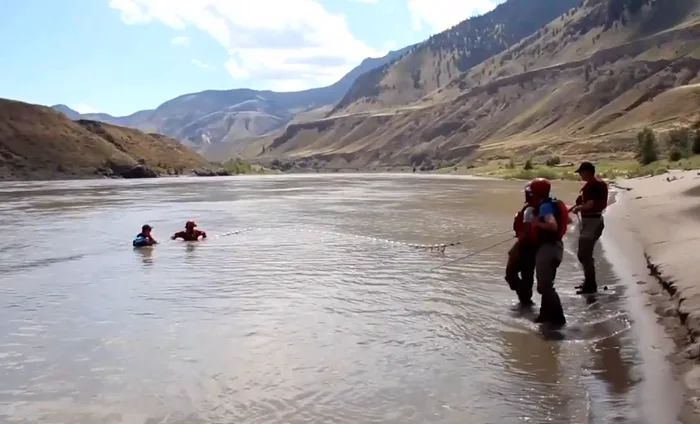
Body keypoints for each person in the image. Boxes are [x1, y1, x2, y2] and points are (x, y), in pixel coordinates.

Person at [529, 177, 569, 327]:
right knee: (547, 284)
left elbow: (552, 226)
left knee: (545, 286)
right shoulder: (553, 203)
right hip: (555, 247)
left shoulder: (545, 207)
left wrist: (536, 223)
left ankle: (559, 320)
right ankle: (544, 315)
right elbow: (568, 221)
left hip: (548, 248)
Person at [569, 161, 608, 295]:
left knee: (584, 254)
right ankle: (588, 282)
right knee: (586, 254)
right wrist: (575, 207)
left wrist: (578, 208)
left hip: (591, 222)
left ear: (586, 172)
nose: (580, 175)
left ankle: (590, 285)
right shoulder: (599, 183)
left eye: (580, 172)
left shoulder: (591, 186)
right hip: (595, 221)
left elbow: (590, 205)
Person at [505, 184, 538, 307]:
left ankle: (525, 299)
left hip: (526, 245)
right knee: (527, 274)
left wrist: (515, 247)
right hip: (534, 246)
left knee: (511, 273)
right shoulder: (540, 207)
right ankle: (526, 301)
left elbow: (527, 231)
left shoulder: (530, 210)